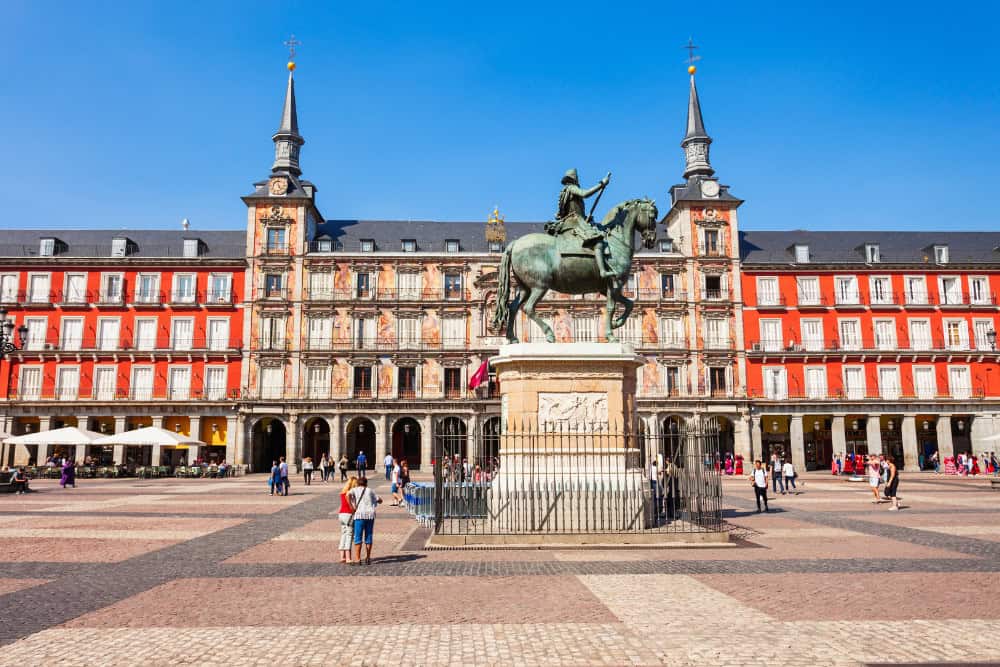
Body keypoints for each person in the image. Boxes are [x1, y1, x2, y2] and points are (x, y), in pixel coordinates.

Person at [545, 168, 615, 279]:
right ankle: (602, 271)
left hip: (571, 220)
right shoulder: (572, 188)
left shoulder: (565, 191)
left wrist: (586, 217)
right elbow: (585, 194)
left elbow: (569, 211)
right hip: (575, 222)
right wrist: (601, 184)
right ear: (575, 178)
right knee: (598, 241)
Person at [349, 476, 382, 565]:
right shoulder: (370, 490)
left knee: (358, 537)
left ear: (358, 483)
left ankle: (358, 558)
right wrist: (376, 501)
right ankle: (368, 557)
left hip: (359, 515)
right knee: (369, 536)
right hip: (370, 516)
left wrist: (352, 506)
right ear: (366, 483)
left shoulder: (354, 490)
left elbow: (347, 494)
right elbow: (379, 500)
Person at [337, 477, 359, 564]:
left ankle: (342, 556)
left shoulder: (342, 493)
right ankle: (348, 557)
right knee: (349, 535)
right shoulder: (351, 494)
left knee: (343, 534)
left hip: (341, 514)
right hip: (349, 514)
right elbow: (353, 505)